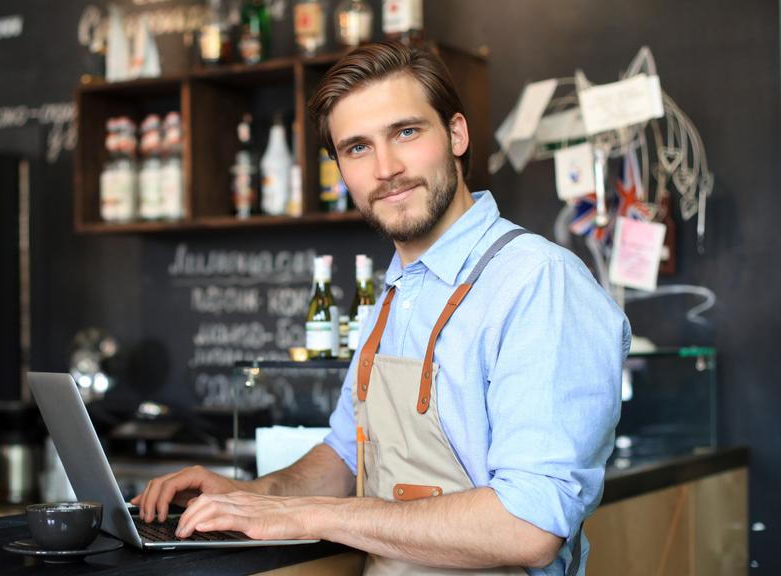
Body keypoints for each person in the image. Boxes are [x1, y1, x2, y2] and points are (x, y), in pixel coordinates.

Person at [132, 40, 630, 575]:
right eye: (357, 148)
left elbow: (529, 526)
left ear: (456, 135)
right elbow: (346, 456)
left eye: (406, 133)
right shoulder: (394, 293)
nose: (386, 168)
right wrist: (250, 496)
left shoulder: (538, 281)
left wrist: (305, 516)